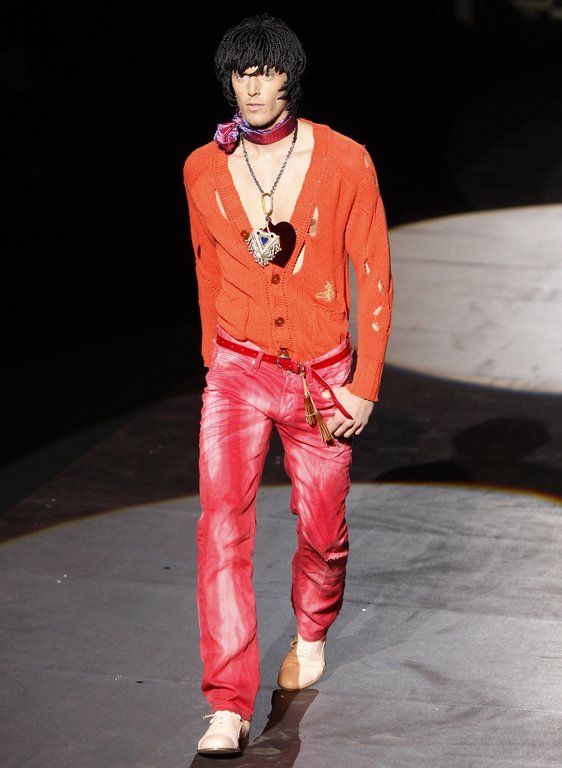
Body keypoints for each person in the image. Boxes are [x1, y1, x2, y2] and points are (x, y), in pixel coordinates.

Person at [183, 13, 393, 756]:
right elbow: (207, 267)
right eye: (242, 74)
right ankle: (227, 704)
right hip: (237, 372)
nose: (254, 87)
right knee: (221, 528)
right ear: (228, 80)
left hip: (321, 379)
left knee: (322, 530)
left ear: (290, 79)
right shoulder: (202, 167)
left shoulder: (345, 161)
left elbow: (374, 273)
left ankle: (312, 628)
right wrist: (213, 359)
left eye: (267, 73)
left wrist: (364, 383)